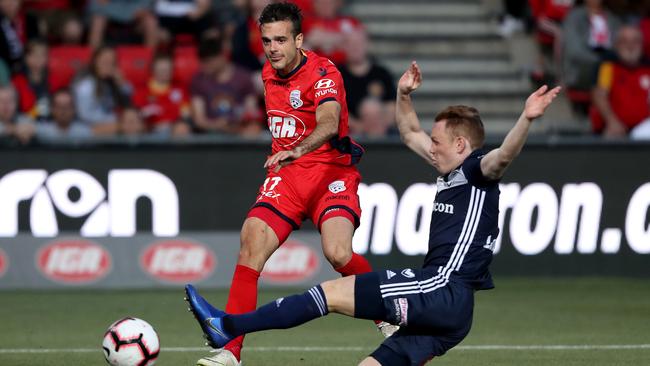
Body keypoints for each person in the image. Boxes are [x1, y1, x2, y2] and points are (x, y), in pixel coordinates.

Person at [185, 62, 561, 366]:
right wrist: (402, 94)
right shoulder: (449, 170)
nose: (430, 148)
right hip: (452, 314)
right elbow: (408, 130)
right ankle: (228, 329)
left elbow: (504, 156)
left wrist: (525, 119)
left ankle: (227, 326)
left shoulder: (478, 169)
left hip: (440, 288)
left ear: (461, 145)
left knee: (328, 294)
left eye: (438, 142)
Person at [187, 3, 390, 366]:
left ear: (299, 39)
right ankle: (229, 352)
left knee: (338, 254)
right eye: (267, 41)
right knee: (251, 243)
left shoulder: (325, 73)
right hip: (288, 177)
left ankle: (388, 314)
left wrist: (297, 149)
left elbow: (328, 123)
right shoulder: (269, 71)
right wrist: (289, 156)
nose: (273, 48)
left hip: (330, 173)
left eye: (281, 39)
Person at [189, 37, 262, 136]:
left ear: (221, 57)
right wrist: (217, 125)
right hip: (209, 136)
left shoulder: (243, 78)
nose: (204, 66)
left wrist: (237, 125)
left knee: (252, 130)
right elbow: (199, 120)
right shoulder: (199, 81)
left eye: (208, 61)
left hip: (239, 134)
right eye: (202, 62)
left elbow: (251, 111)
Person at [592, 25, 650, 137]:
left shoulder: (648, 69)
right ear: (617, 45)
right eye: (624, 41)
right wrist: (612, 121)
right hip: (616, 129)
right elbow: (599, 95)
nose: (630, 46)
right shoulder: (608, 67)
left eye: (635, 41)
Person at [339, 28, 396, 132]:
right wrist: (359, 127)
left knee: (372, 108)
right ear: (344, 46)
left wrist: (380, 125)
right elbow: (334, 110)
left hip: (381, 130)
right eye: (350, 44)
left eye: (359, 43)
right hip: (349, 134)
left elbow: (391, 106)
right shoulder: (335, 75)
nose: (355, 47)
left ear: (367, 44)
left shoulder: (382, 73)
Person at [73, 45, 132, 136]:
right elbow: (84, 115)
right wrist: (113, 121)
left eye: (111, 62)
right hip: (87, 128)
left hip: (110, 125)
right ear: (95, 62)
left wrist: (122, 83)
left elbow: (130, 101)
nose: (108, 65)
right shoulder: (86, 85)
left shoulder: (112, 81)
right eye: (104, 61)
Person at [132, 53, 191, 137]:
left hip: (175, 132)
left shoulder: (180, 89)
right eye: (161, 70)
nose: (165, 73)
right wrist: (145, 114)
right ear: (153, 70)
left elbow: (186, 114)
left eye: (168, 69)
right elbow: (134, 117)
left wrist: (172, 125)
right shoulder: (142, 91)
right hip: (149, 133)